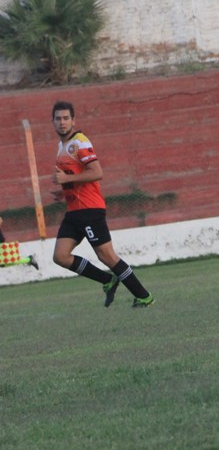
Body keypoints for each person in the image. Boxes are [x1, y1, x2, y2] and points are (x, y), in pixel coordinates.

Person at [50, 101, 153, 307]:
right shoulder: (62, 146)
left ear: (73, 120)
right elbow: (77, 175)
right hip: (74, 211)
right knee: (60, 256)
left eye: (66, 118)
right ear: (52, 122)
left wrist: (67, 180)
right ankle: (107, 280)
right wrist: (64, 192)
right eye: (58, 118)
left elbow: (97, 173)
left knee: (106, 255)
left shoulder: (80, 142)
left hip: (90, 209)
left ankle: (143, 296)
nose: (62, 122)